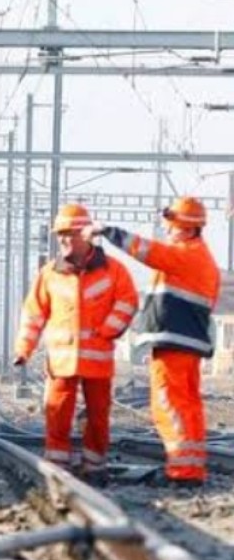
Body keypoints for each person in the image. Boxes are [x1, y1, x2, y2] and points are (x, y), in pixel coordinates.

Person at [85, 197, 220, 487]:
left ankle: (183, 472)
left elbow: (146, 251)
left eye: (171, 225)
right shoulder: (197, 256)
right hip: (185, 342)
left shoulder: (187, 254)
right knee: (187, 405)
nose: (167, 230)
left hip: (176, 342)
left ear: (184, 227)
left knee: (167, 403)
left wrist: (108, 231)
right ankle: (190, 470)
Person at [14, 203, 138, 482]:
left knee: (97, 417)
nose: (65, 240)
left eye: (70, 234)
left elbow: (127, 301)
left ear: (88, 235)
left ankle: (94, 467)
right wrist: (23, 349)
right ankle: (58, 468)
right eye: (61, 235)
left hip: (98, 360)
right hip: (60, 361)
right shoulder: (49, 274)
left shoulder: (113, 271)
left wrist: (107, 331)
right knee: (56, 413)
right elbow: (34, 313)